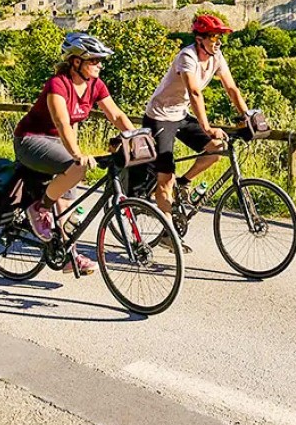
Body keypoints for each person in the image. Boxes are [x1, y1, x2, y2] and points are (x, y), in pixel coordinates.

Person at [13, 32, 136, 274]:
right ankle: (39, 208)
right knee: (76, 167)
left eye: (100, 60)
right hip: (32, 140)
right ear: (76, 62)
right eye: (94, 60)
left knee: (68, 211)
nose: (99, 65)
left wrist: (136, 137)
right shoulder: (58, 84)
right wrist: (78, 153)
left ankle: (70, 255)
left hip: (60, 145)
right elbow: (61, 122)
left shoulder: (95, 85)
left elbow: (117, 116)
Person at [143, 14, 250, 250]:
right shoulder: (187, 57)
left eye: (219, 37)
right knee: (165, 178)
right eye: (213, 37)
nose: (217, 42)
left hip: (180, 114)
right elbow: (194, 92)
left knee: (216, 149)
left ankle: (185, 181)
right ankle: (167, 233)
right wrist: (206, 126)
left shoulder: (217, 57)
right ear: (199, 39)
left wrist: (247, 115)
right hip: (160, 117)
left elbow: (231, 87)